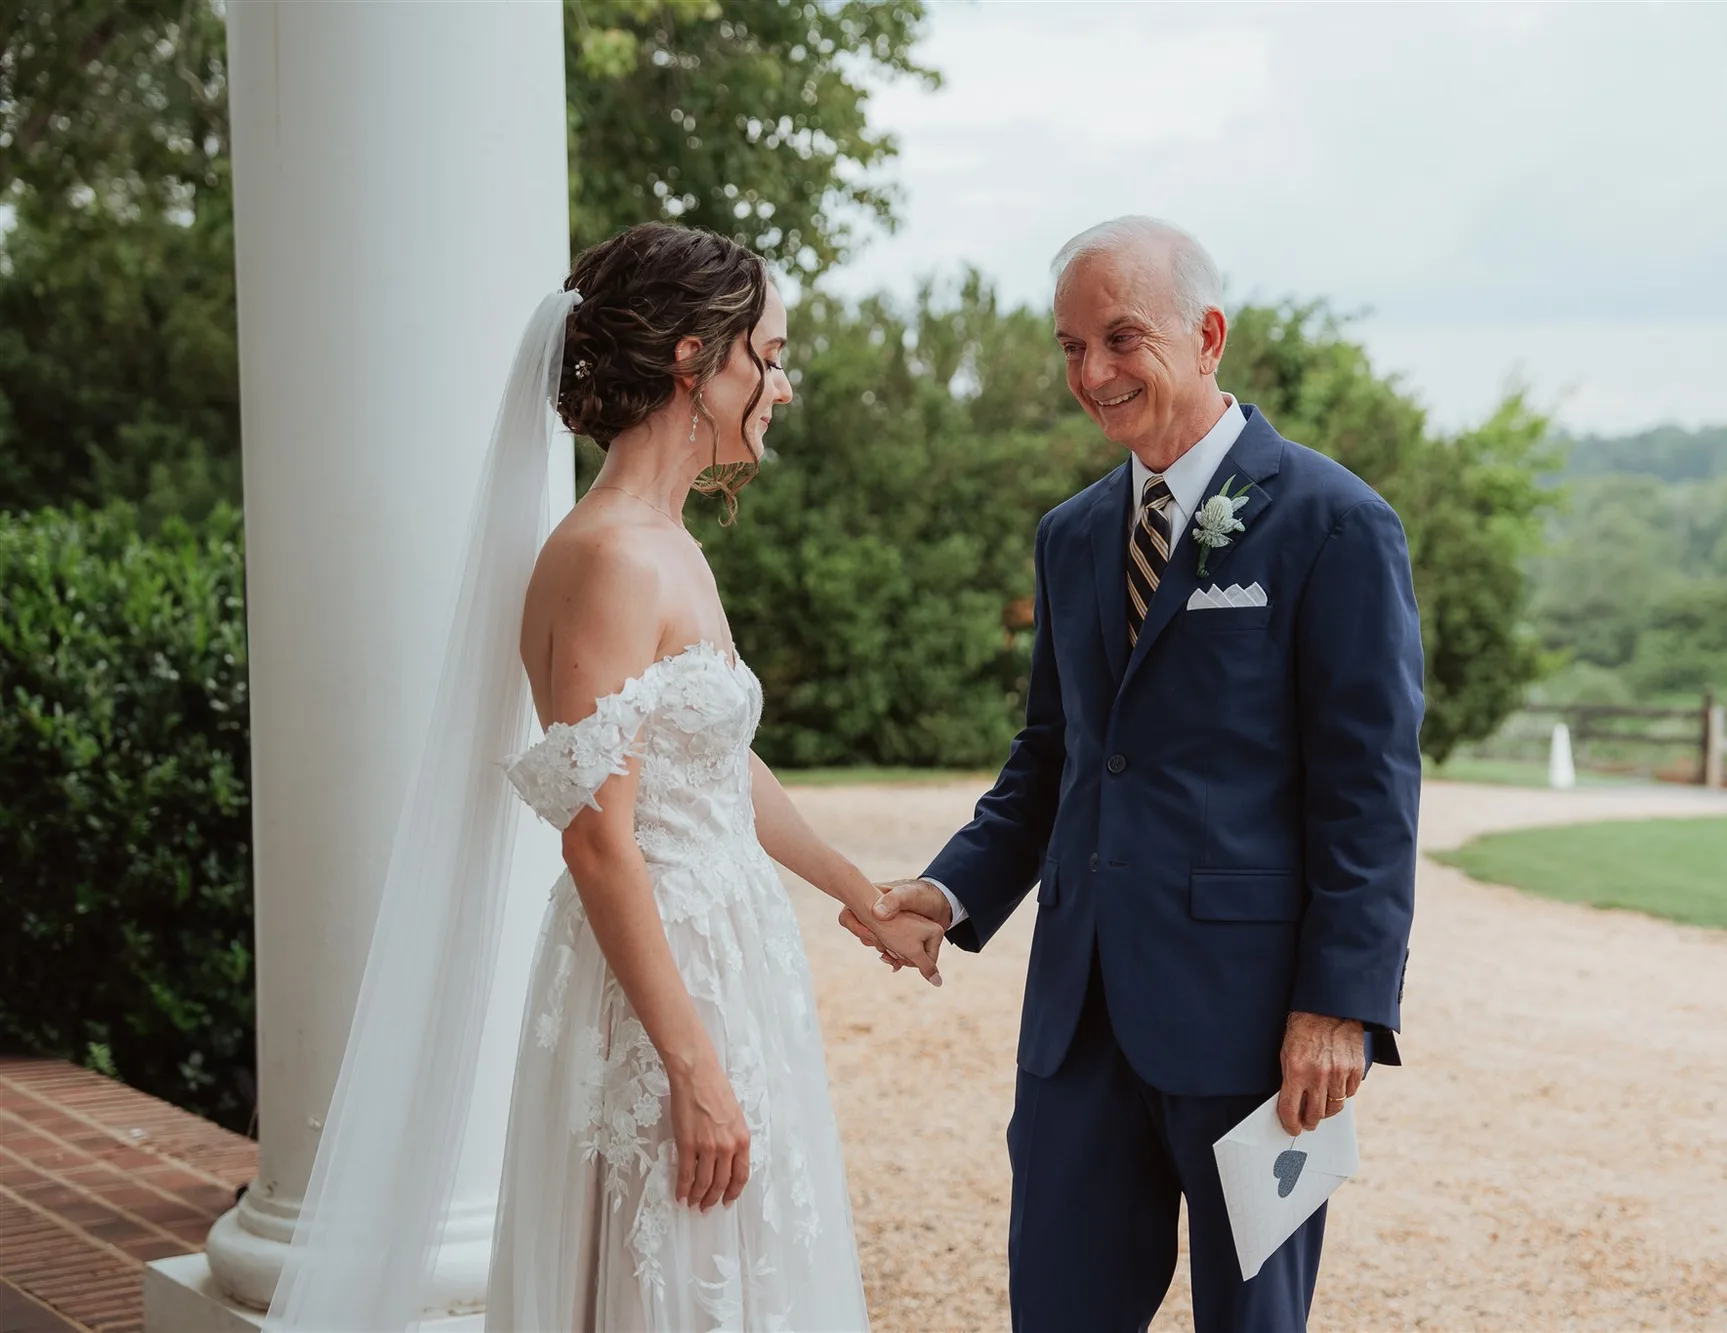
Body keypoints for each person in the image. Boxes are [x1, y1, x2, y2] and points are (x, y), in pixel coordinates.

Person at [268, 223, 942, 1332]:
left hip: (723, 952)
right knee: (671, 1272)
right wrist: (694, 1069)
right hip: (660, 980)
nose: (782, 385)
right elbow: (598, 838)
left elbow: (715, 764)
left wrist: (856, 893)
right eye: (765, 355)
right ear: (692, 359)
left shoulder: (668, 542)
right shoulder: (609, 558)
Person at [853, 216, 1424, 1333]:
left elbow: (1368, 790)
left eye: (1120, 338)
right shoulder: (1070, 537)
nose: (1092, 374)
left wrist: (1338, 1006)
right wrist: (950, 889)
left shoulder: (1334, 524)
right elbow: (1054, 757)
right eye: (1070, 348)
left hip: (1257, 1031)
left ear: (1206, 334)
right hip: (1075, 1025)